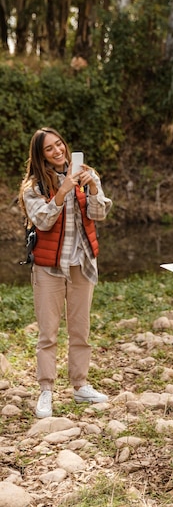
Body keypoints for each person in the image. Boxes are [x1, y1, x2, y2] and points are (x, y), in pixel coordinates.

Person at [18, 127, 113, 419]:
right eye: (49, 148)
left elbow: (99, 215)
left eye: (59, 144)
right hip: (49, 268)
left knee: (80, 329)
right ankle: (46, 390)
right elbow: (43, 222)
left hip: (82, 264)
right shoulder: (33, 187)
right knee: (48, 334)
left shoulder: (86, 174)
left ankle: (80, 385)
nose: (57, 151)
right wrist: (62, 191)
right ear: (40, 154)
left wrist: (93, 188)